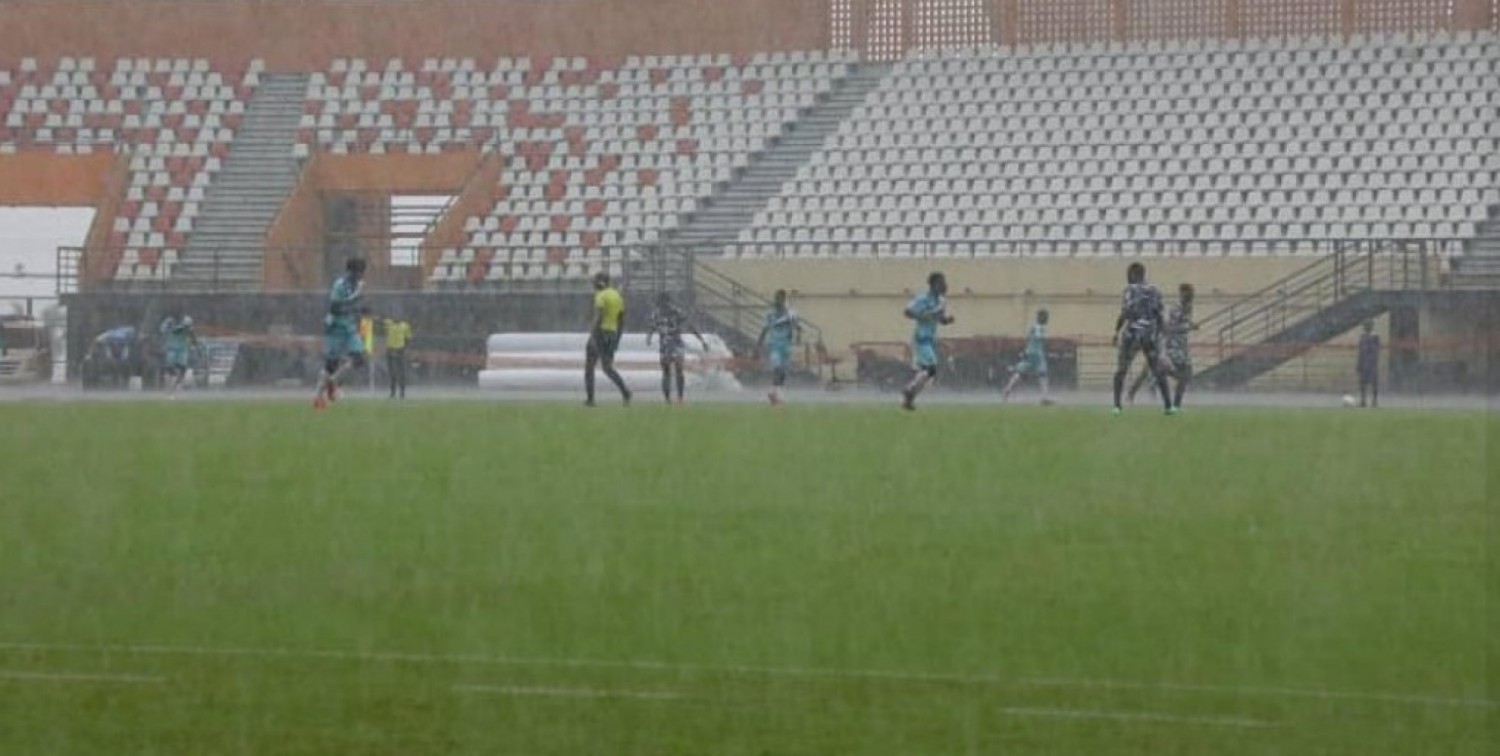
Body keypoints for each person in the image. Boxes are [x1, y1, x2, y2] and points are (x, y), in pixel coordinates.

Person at [1112, 262, 1174, 415]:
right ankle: (1168, 406)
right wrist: (1162, 334)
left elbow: (1125, 312)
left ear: (1133, 274)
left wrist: (1116, 331)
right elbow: (1159, 315)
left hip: (1132, 334)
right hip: (1149, 335)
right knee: (1157, 370)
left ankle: (1117, 406)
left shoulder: (1129, 290)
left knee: (1121, 369)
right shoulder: (1155, 290)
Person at [1129, 283, 1197, 409]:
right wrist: (1188, 327)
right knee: (1183, 374)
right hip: (1173, 346)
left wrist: (1189, 325)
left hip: (1180, 346)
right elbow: (1170, 328)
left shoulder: (1188, 307)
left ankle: (1150, 385)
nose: (1189, 296)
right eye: (1185, 293)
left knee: (1152, 369)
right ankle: (1155, 387)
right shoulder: (1177, 309)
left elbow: (1181, 322)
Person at [313, 257, 368, 410]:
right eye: (358, 272)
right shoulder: (339, 285)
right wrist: (354, 299)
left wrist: (361, 310)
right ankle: (318, 397)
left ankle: (333, 382)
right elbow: (335, 308)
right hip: (335, 327)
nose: (360, 276)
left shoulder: (357, 285)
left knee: (359, 358)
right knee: (331, 364)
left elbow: (354, 306)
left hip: (349, 327)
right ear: (351, 271)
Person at [900, 272, 955, 411]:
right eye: (942, 282)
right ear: (934, 285)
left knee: (928, 372)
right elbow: (907, 312)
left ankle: (909, 396)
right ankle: (909, 391)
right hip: (921, 338)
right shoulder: (922, 299)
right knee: (930, 369)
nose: (945, 286)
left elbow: (939, 319)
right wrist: (922, 315)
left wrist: (946, 321)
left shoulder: (942, 301)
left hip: (930, 340)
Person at [646, 291, 708, 404]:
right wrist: (701, 339)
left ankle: (668, 399)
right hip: (676, 345)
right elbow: (690, 326)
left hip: (665, 346)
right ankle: (679, 398)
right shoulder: (675, 311)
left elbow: (651, 327)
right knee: (678, 371)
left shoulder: (656, 313)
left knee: (666, 373)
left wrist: (649, 338)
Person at [585, 271, 632, 407]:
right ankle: (625, 391)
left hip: (600, 333)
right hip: (612, 333)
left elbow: (598, 316)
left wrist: (592, 333)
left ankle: (590, 398)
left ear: (600, 282)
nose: (593, 284)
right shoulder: (617, 295)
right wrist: (618, 338)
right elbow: (622, 319)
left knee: (589, 366)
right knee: (607, 367)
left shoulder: (601, 296)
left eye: (594, 281)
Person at [754, 289, 800, 406]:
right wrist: (758, 347)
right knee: (777, 369)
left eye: (780, 298)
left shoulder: (790, 314)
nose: (777, 301)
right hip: (775, 346)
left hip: (786, 346)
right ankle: (774, 393)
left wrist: (797, 335)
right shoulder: (770, 315)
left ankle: (777, 396)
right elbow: (764, 330)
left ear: (784, 300)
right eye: (776, 298)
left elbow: (796, 327)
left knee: (783, 373)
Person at [1002, 308, 1053, 405]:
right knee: (1043, 374)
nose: (1047, 319)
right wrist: (1046, 344)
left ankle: (1007, 389)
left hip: (1029, 352)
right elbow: (1039, 338)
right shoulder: (1039, 327)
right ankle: (1044, 398)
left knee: (1020, 373)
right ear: (1040, 317)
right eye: (1045, 317)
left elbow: (1030, 339)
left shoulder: (1034, 327)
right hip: (1037, 354)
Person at [158, 309, 196, 393]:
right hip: (172, 348)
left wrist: (193, 343)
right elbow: (162, 331)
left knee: (182, 367)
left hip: (182, 349)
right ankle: (172, 382)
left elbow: (192, 333)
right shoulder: (169, 321)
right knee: (169, 366)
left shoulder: (187, 320)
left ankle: (178, 384)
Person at [384, 315, 412, 399]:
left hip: (400, 350)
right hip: (390, 349)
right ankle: (393, 392)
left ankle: (402, 392)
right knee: (392, 372)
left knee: (401, 372)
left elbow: (408, 338)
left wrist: (404, 348)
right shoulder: (388, 323)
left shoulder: (405, 326)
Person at [1357, 320, 1380, 408]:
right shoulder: (1362, 337)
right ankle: (1363, 401)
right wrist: (1359, 363)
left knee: (1374, 383)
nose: (1366, 327)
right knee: (1362, 383)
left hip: (1371, 363)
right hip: (1363, 363)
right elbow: (1360, 351)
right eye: (1365, 325)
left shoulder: (1375, 337)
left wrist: (1372, 361)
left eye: (1368, 325)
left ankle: (1374, 401)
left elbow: (1376, 351)